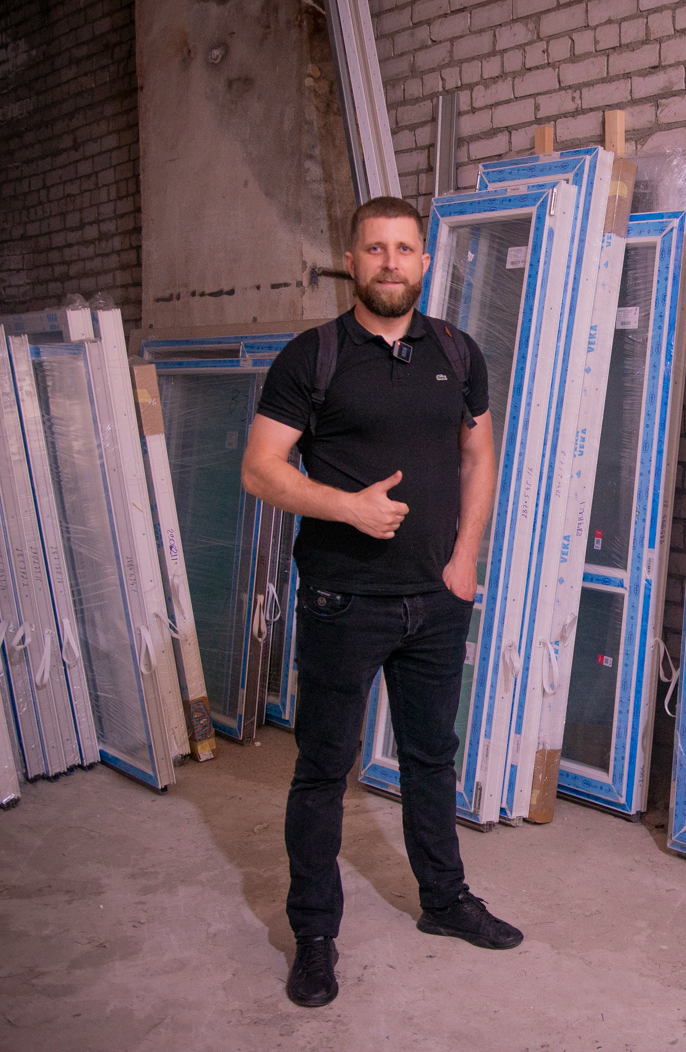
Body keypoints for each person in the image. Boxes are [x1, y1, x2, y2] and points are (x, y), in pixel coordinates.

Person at [242, 195, 522, 1010]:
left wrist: (465, 559)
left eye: (404, 249)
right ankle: (314, 935)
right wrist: (349, 508)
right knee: (323, 770)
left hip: (436, 599)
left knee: (433, 759)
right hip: (344, 601)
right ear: (352, 261)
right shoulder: (314, 356)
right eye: (375, 249)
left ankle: (444, 900)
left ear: (425, 262)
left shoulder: (458, 351)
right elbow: (261, 468)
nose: (390, 262)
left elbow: (479, 453)